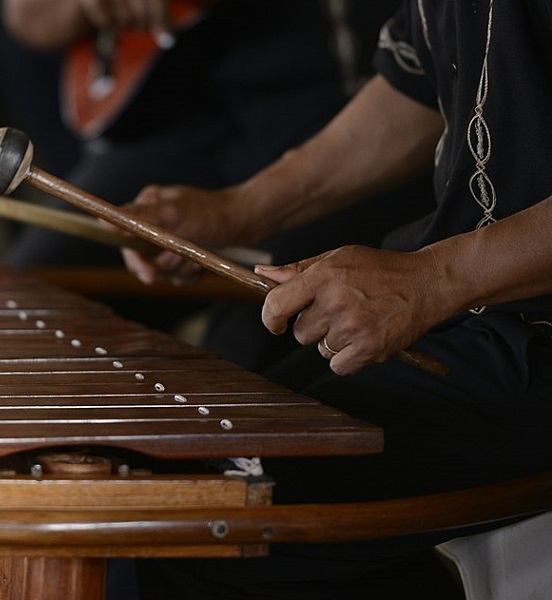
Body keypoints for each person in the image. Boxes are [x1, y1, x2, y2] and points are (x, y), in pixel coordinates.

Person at [117, 0, 552, 597]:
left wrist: (431, 280)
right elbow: (415, 86)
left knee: (202, 530)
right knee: (168, 483)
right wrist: (236, 210)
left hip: (535, 336)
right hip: (471, 321)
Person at [0, 0, 432, 373]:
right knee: (16, 310)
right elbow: (28, 17)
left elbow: (418, 96)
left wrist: (235, 211)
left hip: (345, 118)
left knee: (242, 355)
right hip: (193, 117)